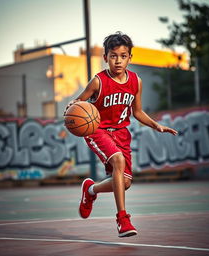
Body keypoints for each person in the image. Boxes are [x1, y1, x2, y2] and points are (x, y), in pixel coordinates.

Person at [65, 32, 178, 238]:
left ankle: (90, 190)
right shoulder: (98, 81)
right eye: (114, 55)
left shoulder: (136, 81)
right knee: (118, 161)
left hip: (121, 133)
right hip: (97, 130)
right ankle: (123, 219)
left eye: (123, 56)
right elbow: (79, 103)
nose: (118, 60)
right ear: (105, 57)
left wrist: (156, 126)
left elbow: (137, 112)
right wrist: (72, 105)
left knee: (125, 183)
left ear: (130, 58)